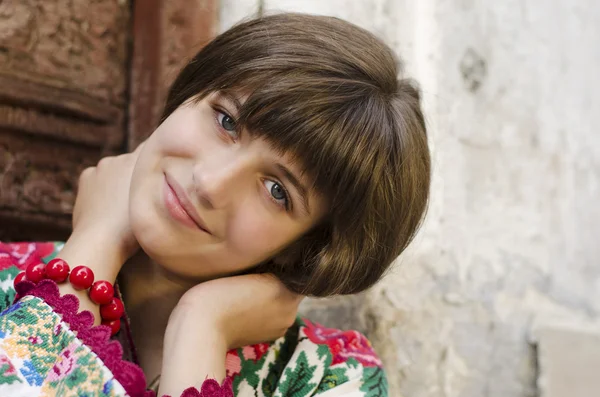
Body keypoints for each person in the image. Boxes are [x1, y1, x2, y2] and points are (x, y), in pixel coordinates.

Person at [0, 12, 430, 397]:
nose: (209, 183)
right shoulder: (6, 277)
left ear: (304, 246)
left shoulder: (329, 379)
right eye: (226, 120)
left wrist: (202, 326)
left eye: (277, 190)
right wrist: (94, 247)